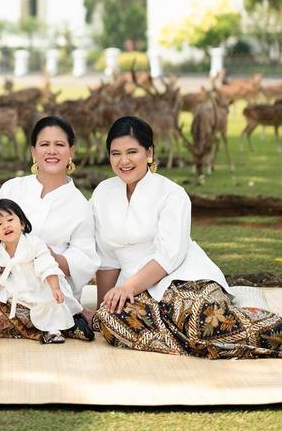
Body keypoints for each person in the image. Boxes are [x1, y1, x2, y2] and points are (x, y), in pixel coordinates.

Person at [89, 115, 282, 358]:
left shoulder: (172, 193)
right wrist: (101, 306)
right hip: (137, 290)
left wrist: (127, 287)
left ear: (149, 153)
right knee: (110, 321)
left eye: (132, 152)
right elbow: (107, 259)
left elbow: (170, 255)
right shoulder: (102, 193)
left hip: (183, 276)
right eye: (115, 153)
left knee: (204, 321)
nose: (123, 161)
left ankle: (252, 319)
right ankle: (200, 344)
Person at [0, 115, 99, 337]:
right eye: (44, 144)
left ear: (71, 152)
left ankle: (53, 320)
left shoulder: (80, 204)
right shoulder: (12, 188)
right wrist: (3, 259)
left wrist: (51, 257)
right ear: (33, 151)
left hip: (49, 288)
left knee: (44, 307)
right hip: (6, 285)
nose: (52, 151)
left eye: (59, 145)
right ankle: (59, 325)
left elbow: (85, 257)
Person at [0, 199, 87, 342]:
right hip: (14, 288)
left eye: (10, 220)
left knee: (49, 303)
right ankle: (34, 328)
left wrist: (55, 288)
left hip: (40, 284)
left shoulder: (35, 244)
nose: (6, 226)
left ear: (22, 223)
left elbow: (47, 264)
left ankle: (54, 330)